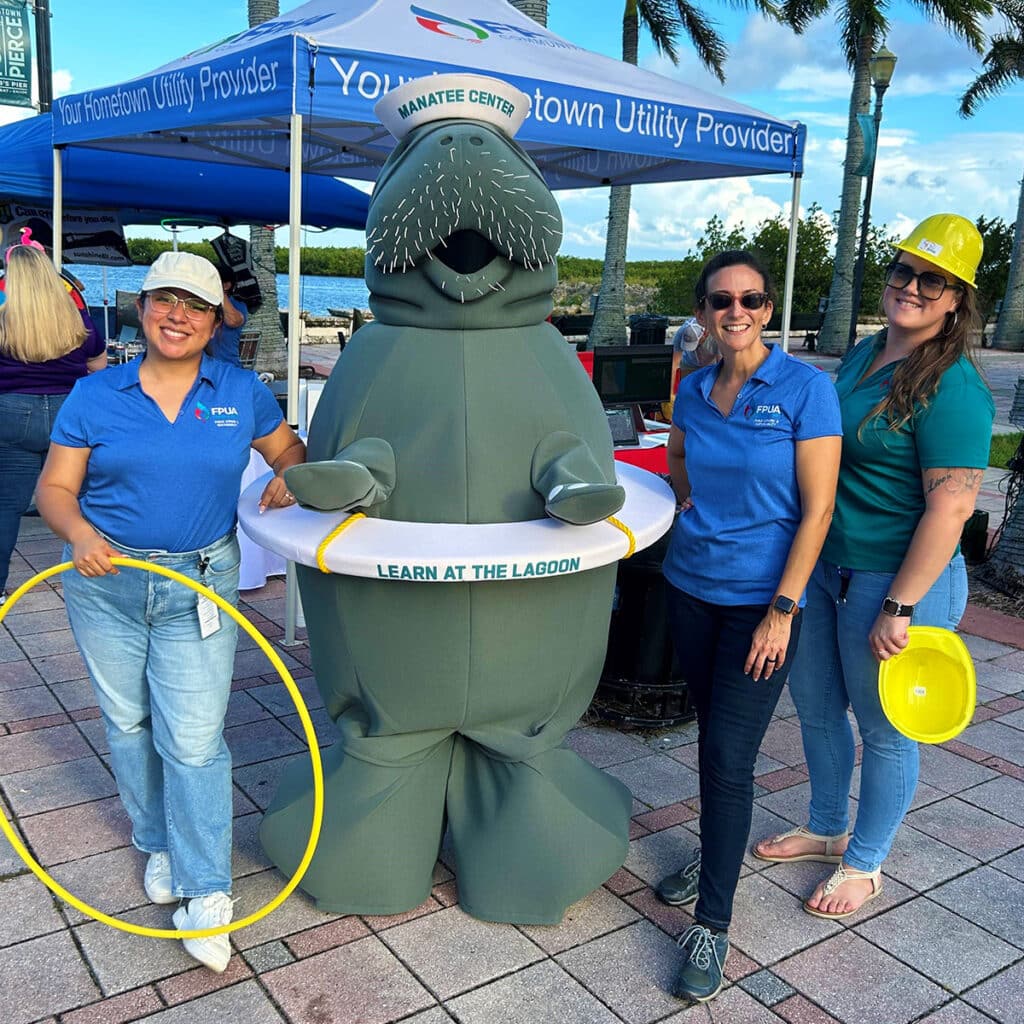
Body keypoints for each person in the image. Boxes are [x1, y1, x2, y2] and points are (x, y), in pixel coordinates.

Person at [36, 251, 305, 972]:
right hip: (106, 582)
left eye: (194, 304)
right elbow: (55, 490)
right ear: (142, 307)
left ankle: (209, 892)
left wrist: (293, 477)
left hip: (200, 587)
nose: (175, 315)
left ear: (217, 320)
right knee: (128, 723)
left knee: (192, 739)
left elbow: (290, 452)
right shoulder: (98, 394)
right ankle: (154, 841)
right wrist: (80, 533)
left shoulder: (241, 390)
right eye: (163, 300)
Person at [753, 214, 995, 919]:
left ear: (956, 299)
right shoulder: (865, 354)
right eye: (903, 270)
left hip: (894, 585)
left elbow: (949, 511)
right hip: (828, 570)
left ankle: (866, 861)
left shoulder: (953, 388)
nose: (911, 287)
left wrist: (901, 606)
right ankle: (828, 827)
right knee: (819, 710)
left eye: (932, 280)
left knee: (886, 728)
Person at [655, 250, 842, 1003]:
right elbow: (676, 451)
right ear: (702, 311)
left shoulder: (806, 389)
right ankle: (718, 850)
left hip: (761, 607)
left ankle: (713, 922)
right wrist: (684, 495)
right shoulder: (695, 388)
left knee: (729, 757)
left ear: (770, 310)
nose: (737, 311)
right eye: (722, 300)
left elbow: (819, 509)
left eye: (753, 300)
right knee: (712, 738)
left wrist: (783, 611)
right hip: (690, 587)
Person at [0, 243, 107, 606]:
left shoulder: (3, 319)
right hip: (69, 410)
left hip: (12, 414)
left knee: (5, 506)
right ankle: (99, 574)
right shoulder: (77, 319)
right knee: (85, 499)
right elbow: (99, 369)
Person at [208, 266, 248, 366]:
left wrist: (220, 292)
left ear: (226, 285)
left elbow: (233, 321)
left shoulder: (238, 305)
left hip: (228, 365)